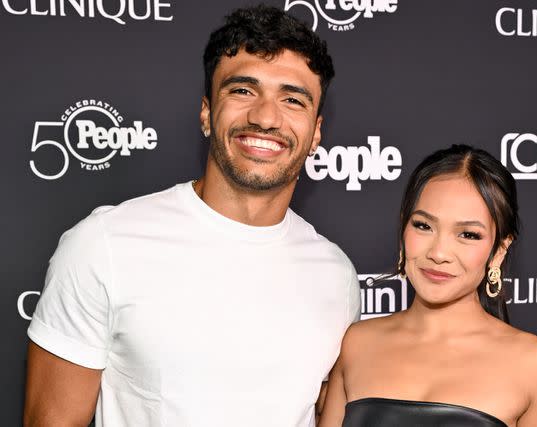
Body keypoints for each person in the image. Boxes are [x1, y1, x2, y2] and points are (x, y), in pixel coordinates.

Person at [24, 5, 360, 427]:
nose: (265, 117)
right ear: (206, 112)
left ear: (316, 133)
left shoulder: (336, 275)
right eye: (242, 91)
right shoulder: (104, 244)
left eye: (292, 99)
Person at [318, 145, 537, 427]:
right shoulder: (357, 344)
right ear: (404, 229)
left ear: (499, 251)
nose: (438, 253)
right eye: (424, 226)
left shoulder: (536, 365)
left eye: (468, 234)